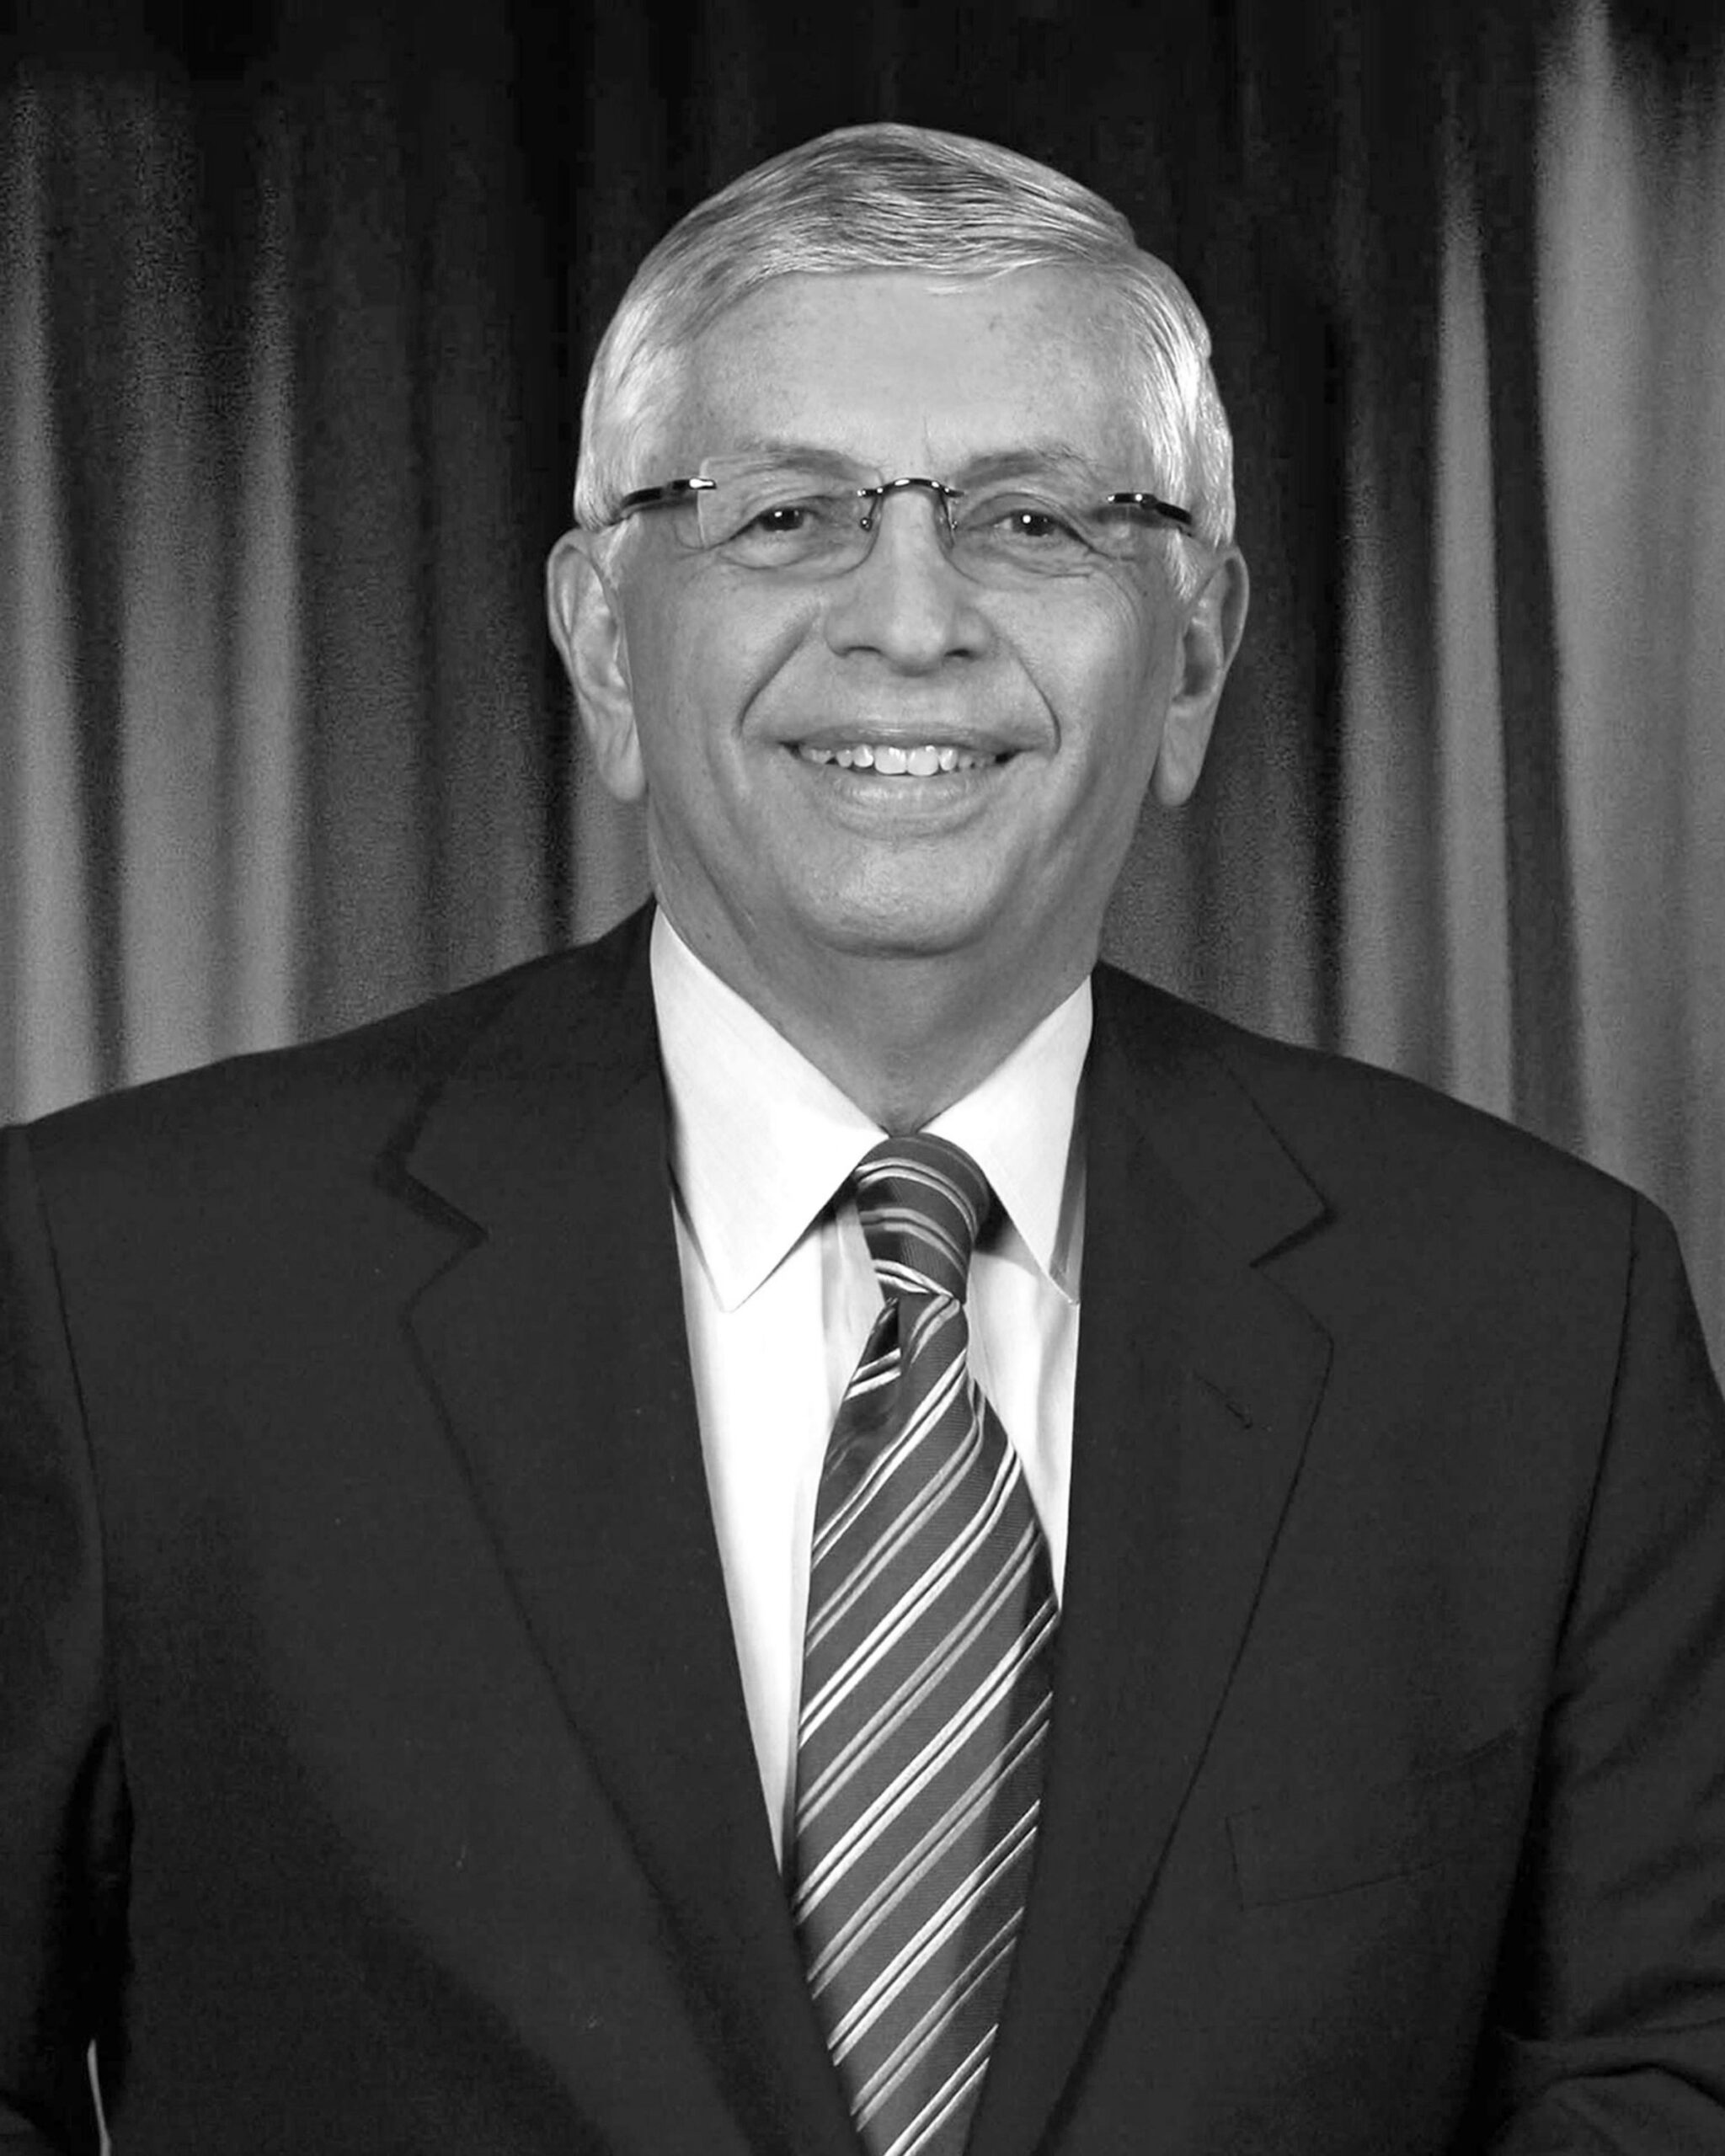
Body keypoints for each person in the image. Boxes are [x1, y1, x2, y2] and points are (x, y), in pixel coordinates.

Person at [3, 120, 1723, 2156]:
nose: (910, 617)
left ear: (1190, 650)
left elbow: (1660, 2077)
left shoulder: (1541, 1318)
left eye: (1034, 520)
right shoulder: (119, 1287)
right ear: (596, 641)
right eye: (786, 514)